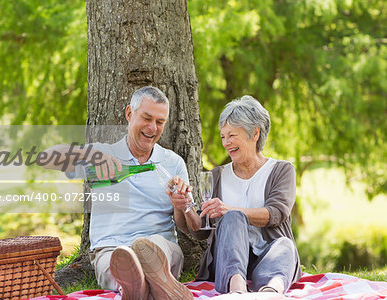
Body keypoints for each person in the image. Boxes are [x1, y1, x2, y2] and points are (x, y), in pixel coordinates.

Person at [43, 86, 195, 300]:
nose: (153, 128)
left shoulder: (173, 162)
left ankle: (137, 289)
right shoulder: (103, 154)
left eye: (160, 122)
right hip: (112, 248)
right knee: (120, 261)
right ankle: (151, 287)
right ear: (129, 114)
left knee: (155, 247)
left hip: (162, 246)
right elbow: (46, 158)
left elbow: (185, 227)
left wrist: (181, 205)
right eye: (147, 118)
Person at [188, 95, 301, 294]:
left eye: (232, 135)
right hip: (227, 264)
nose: (226, 142)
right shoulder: (217, 176)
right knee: (232, 218)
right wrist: (184, 206)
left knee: (285, 244)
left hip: (269, 259)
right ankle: (237, 290)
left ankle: (271, 292)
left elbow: (276, 214)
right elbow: (200, 231)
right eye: (223, 136)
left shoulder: (282, 170)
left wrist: (229, 209)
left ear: (255, 133)